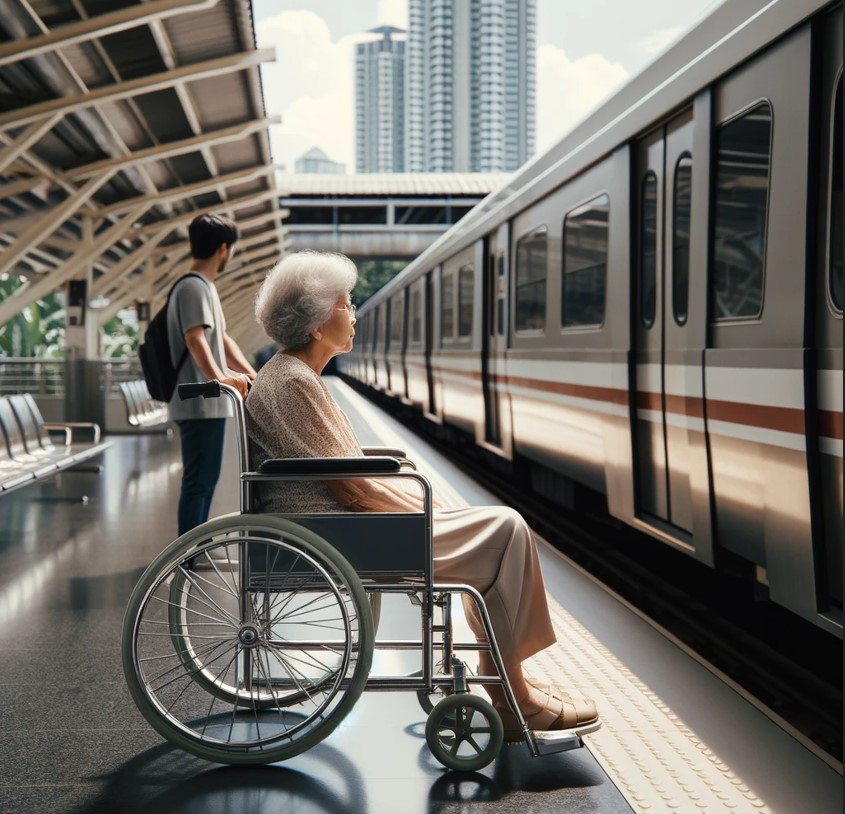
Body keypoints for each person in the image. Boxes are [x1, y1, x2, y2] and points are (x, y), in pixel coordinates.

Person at [245, 250, 598, 738]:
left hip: (336, 524)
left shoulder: (291, 376)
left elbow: (348, 476)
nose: (354, 314)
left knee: (495, 532)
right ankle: (513, 693)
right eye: (346, 305)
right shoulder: (296, 383)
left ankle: (510, 682)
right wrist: (422, 508)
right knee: (506, 527)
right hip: (344, 533)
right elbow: (352, 488)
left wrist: (420, 505)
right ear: (316, 324)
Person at [167, 213, 256, 536]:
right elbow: (195, 339)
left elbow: (224, 339)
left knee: (205, 481)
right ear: (223, 249)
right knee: (199, 482)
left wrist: (250, 373)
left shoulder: (204, 287)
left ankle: (193, 546)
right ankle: (186, 554)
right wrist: (220, 377)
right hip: (199, 402)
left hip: (207, 403)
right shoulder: (193, 286)